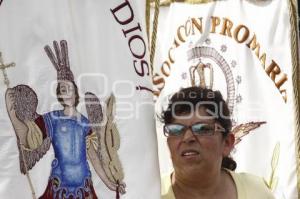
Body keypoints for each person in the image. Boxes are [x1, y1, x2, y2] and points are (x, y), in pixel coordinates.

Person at [5, 40, 125, 199]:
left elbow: (94, 157)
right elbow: (29, 139)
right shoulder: (52, 119)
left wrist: (110, 184)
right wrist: (12, 116)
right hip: (59, 188)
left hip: (84, 187)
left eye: (69, 89)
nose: (66, 93)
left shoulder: (84, 123)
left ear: (75, 92)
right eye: (63, 89)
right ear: (59, 94)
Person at [160, 86, 275, 199]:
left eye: (202, 129)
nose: (188, 137)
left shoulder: (257, 192)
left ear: (227, 143)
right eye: (176, 130)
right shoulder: (149, 193)